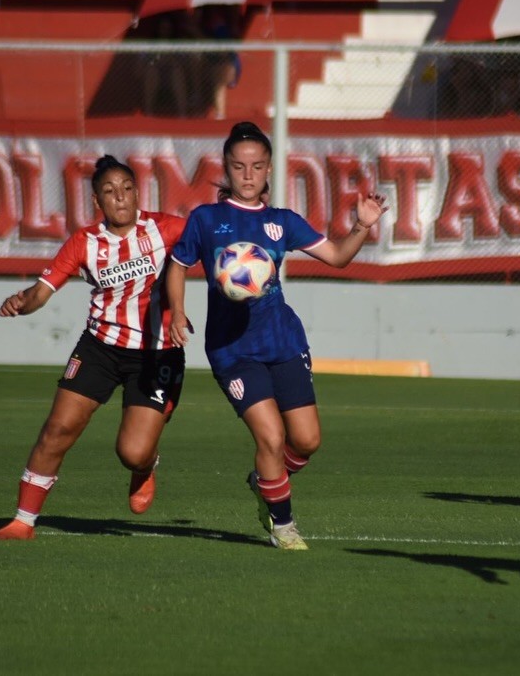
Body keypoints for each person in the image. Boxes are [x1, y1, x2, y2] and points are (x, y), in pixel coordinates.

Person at [166, 122, 387, 550]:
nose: (248, 174)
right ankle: (283, 526)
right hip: (232, 350)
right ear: (226, 170)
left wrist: (362, 226)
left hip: (284, 342)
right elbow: (177, 264)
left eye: (257, 166)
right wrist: (177, 310)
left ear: (269, 170)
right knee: (270, 437)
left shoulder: (282, 222)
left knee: (306, 441)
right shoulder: (206, 220)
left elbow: (338, 257)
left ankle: (264, 481)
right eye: (238, 166)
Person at [0, 155, 187, 540]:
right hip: (100, 347)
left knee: (132, 452)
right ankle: (23, 521)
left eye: (128, 189)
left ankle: (144, 467)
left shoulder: (167, 229)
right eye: (110, 192)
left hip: (157, 352)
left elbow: (214, 232)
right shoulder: (85, 242)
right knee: (58, 429)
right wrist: (22, 302)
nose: (121, 198)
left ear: (138, 193)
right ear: (98, 201)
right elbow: (42, 291)